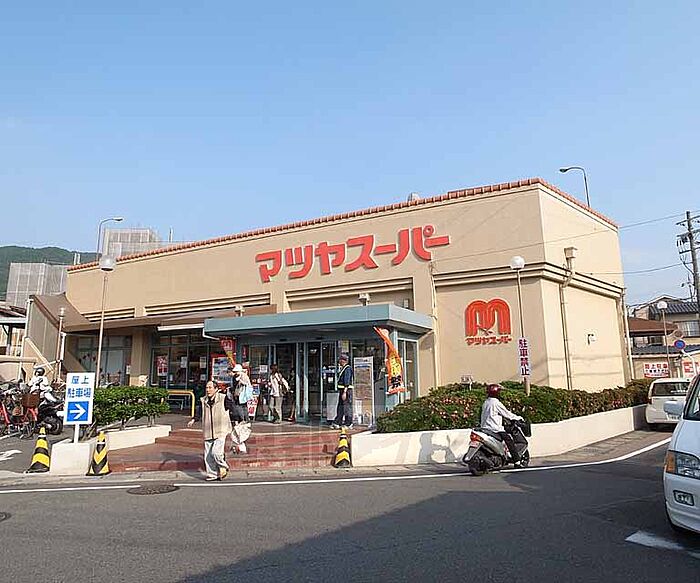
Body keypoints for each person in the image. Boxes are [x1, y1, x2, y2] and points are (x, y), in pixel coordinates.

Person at [187, 380, 233, 481]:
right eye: (207, 388)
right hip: (208, 431)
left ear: (216, 389)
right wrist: (194, 420)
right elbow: (199, 413)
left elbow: (232, 409)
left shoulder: (223, 398)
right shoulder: (203, 400)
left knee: (216, 452)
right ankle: (212, 474)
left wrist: (237, 421)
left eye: (210, 387)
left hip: (221, 430)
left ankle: (224, 467)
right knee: (208, 456)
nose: (208, 390)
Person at [480, 383, 523, 465]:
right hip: (495, 429)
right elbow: (507, 414)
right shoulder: (496, 403)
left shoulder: (485, 402)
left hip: (485, 428)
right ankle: (517, 461)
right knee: (509, 440)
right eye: (499, 392)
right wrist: (518, 418)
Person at [228, 364, 253, 454]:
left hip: (242, 396)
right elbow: (234, 386)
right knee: (238, 409)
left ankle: (243, 420)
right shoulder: (234, 377)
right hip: (237, 396)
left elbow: (248, 384)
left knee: (242, 409)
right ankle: (240, 421)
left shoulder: (244, 376)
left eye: (236, 371)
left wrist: (241, 380)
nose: (235, 373)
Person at [331, 353, 353, 429]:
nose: (339, 362)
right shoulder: (343, 368)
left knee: (347, 407)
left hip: (346, 391)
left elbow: (347, 381)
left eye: (340, 360)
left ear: (343, 360)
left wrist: (344, 392)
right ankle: (338, 422)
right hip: (342, 390)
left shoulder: (347, 369)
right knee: (341, 407)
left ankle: (348, 423)